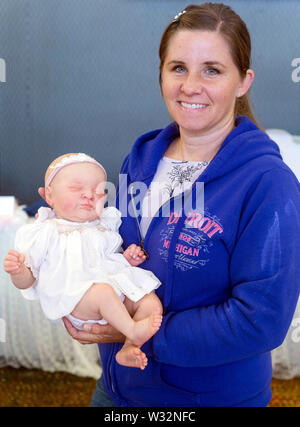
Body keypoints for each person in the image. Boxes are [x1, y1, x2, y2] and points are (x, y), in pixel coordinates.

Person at [41, 3, 300, 407]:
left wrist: (134, 331)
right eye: (178, 67)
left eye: (212, 70)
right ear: (161, 73)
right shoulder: (139, 160)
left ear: (243, 81)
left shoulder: (268, 184)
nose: (190, 85)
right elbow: (110, 257)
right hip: (116, 390)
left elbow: (260, 322)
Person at [3, 153, 163, 370]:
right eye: (77, 188)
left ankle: (129, 346)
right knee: (103, 292)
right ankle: (133, 329)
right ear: (49, 196)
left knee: (149, 302)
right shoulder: (46, 231)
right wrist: (18, 270)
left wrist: (128, 259)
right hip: (76, 298)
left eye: (99, 190)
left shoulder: (104, 226)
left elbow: (110, 258)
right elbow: (27, 281)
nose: (89, 195)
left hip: (113, 292)